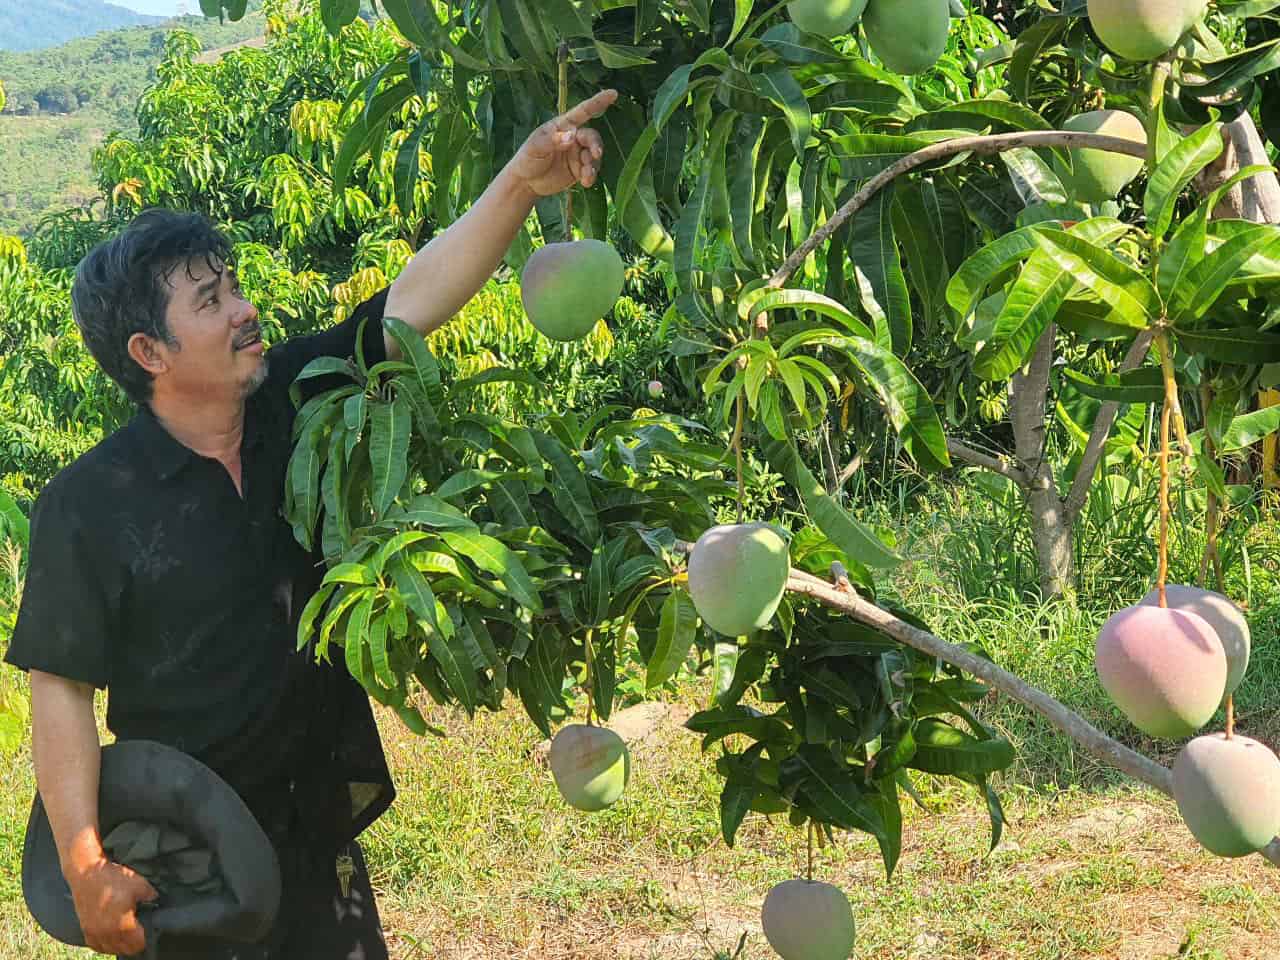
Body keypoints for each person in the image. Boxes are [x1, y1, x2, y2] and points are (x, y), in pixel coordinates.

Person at [4, 89, 618, 959]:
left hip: (317, 831)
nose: (244, 308)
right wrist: (82, 862)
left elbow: (410, 303)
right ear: (150, 353)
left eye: (235, 286)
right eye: (211, 301)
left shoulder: (297, 400)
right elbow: (61, 688)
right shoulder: (88, 500)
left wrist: (521, 181)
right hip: (189, 850)